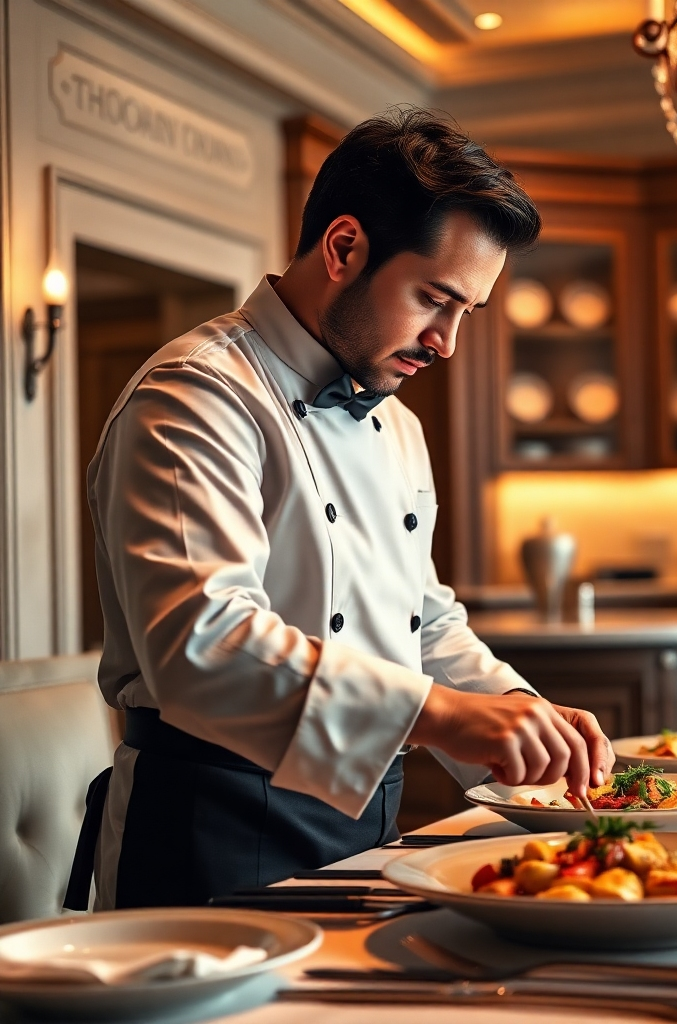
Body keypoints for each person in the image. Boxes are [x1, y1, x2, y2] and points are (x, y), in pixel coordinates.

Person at [65, 108, 613, 911]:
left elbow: (422, 623)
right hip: (209, 829)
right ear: (345, 247)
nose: (448, 342)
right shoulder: (192, 396)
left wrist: (519, 714)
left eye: (468, 312)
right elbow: (202, 647)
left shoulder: (399, 424)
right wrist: (440, 716)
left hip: (368, 820)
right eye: (434, 298)